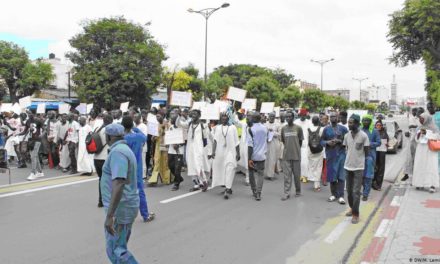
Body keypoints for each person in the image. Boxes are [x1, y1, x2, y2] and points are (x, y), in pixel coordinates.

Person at [100, 123, 139, 264]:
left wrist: (110, 216)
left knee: (116, 251)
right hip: (125, 206)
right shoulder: (123, 149)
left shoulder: (118, 152)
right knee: (118, 248)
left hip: (121, 209)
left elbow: (119, 183)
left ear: (108, 137)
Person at [122, 116, 155, 222]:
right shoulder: (138, 137)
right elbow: (144, 137)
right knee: (140, 192)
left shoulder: (122, 138)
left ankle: (122, 215)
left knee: (122, 191)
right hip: (136, 169)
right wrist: (135, 128)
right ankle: (145, 215)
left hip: (123, 168)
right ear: (132, 125)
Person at [344, 114, 370, 224]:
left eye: (351, 122)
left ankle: (355, 214)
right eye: (348, 122)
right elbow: (347, 149)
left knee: (356, 192)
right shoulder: (346, 136)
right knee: (349, 192)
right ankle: (351, 207)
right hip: (347, 166)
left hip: (359, 168)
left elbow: (367, 152)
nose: (349, 124)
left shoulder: (364, 136)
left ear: (357, 124)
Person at [178, 109, 210, 192]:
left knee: (198, 165)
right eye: (192, 114)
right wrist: (179, 115)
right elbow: (179, 124)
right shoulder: (189, 124)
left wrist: (205, 150)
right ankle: (196, 184)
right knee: (191, 165)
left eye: (195, 114)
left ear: (199, 116)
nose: (193, 115)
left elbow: (206, 139)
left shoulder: (203, 125)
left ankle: (204, 181)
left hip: (198, 149)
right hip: (190, 148)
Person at [211, 112, 240, 199]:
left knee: (230, 169)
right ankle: (228, 187)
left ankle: (227, 189)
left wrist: (238, 153)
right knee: (222, 170)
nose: (224, 118)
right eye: (222, 117)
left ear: (228, 118)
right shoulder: (218, 128)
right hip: (220, 153)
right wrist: (213, 151)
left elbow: (236, 142)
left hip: (231, 152)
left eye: (225, 117)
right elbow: (215, 140)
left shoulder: (233, 128)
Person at [321, 112, 349, 204]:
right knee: (332, 176)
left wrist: (339, 141)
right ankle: (333, 194)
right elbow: (321, 141)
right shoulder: (326, 129)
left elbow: (348, 141)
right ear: (330, 118)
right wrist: (327, 142)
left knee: (341, 176)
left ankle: (341, 196)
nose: (333, 118)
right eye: (332, 117)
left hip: (341, 155)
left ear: (338, 118)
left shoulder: (344, 129)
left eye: (335, 117)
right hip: (331, 155)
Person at [413, 113, 439, 193]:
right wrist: (418, 134)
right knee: (420, 165)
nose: (420, 120)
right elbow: (415, 139)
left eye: (422, 119)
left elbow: (437, 137)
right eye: (420, 119)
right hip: (421, 149)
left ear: (426, 119)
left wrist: (426, 133)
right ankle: (419, 183)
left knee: (431, 166)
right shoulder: (419, 127)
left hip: (430, 150)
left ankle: (432, 185)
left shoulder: (434, 127)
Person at [280, 111, 304, 200]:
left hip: (296, 155)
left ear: (293, 117)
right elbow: (283, 140)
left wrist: (296, 148)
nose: (288, 118)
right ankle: (287, 193)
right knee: (287, 176)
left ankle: (298, 191)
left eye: (290, 117)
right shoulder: (283, 129)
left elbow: (300, 141)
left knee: (297, 175)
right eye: (287, 117)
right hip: (286, 155)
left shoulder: (298, 128)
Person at [247, 111, 268, 201]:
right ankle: (259, 193)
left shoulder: (250, 129)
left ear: (255, 119)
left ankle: (254, 191)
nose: (250, 118)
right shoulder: (265, 128)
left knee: (251, 173)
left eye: (251, 117)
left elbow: (250, 145)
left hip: (253, 155)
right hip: (262, 155)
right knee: (260, 174)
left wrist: (249, 158)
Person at [360, 114, 381, 201]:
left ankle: (366, 194)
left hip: (370, 156)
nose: (365, 122)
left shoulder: (375, 131)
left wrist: (369, 144)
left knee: (368, 175)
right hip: (359, 156)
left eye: (367, 120)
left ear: (370, 122)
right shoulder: (359, 130)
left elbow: (378, 142)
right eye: (364, 120)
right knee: (360, 175)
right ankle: (364, 189)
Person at [94, 113, 113, 208]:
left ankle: (100, 201)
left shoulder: (97, 129)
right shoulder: (108, 130)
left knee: (101, 179)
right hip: (105, 158)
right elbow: (110, 143)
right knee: (108, 179)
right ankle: (107, 200)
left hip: (96, 158)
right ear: (110, 121)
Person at [148, 112, 172, 185]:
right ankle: (153, 180)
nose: (157, 118)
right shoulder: (155, 125)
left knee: (165, 162)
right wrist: (154, 137)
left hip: (166, 146)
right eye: (156, 116)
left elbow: (171, 134)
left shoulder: (168, 124)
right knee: (157, 161)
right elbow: (153, 138)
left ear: (163, 116)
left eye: (159, 116)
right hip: (158, 146)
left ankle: (166, 179)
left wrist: (165, 131)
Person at [167, 111, 185, 191]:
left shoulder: (182, 128)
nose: (171, 119)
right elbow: (168, 138)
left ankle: (176, 184)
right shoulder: (170, 127)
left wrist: (179, 145)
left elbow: (186, 140)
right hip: (171, 150)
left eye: (173, 118)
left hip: (179, 151)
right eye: (171, 118)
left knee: (177, 168)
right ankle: (179, 178)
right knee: (170, 166)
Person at [402, 108, 420, 181]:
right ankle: (406, 174)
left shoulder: (420, 119)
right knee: (408, 158)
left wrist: (414, 126)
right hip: (410, 139)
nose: (413, 113)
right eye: (412, 111)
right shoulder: (411, 118)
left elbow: (421, 127)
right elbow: (409, 128)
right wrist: (407, 132)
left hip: (417, 140)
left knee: (416, 158)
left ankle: (416, 176)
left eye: (414, 111)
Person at [307, 116, 324, 192]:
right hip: (319, 150)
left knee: (312, 166)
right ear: (318, 121)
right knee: (319, 167)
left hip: (311, 151)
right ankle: (316, 185)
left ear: (312, 122)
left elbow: (308, 141)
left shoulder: (308, 129)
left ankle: (312, 179)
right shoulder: (322, 129)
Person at [294, 109, 311, 183]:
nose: (303, 116)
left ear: (306, 115)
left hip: (305, 144)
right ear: (299, 115)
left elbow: (311, 133)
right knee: (298, 161)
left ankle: (305, 176)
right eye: (301, 115)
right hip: (296, 143)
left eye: (304, 115)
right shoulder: (296, 122)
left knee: (305, 161)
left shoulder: (309, 122)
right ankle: (300, 175)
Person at [264, 112, 282, 180]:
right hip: (267, 143)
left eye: (273, 116)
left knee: (273, 159)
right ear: (268, 117)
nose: (271, 118)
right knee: (267, 158)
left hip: (274, 143)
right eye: (270, 116)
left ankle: (271, 175)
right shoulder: (265, 124)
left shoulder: (277, 125)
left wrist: (273, 132)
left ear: (274, 117)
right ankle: (267, 174)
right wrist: (267, 131)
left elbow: (280, 134)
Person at [373, 121, 389, 191]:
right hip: (374, 152)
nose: (378, 126)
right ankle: (373, 183)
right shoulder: (373, 132)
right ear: (375, 126)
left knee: (381, 168)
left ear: (382, 126)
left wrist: (387, 144)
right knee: (374, 167)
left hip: (382, 152)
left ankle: (378, 184)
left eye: (380, 125)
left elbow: (388, 142)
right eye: (377, 125)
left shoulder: (384, 133)